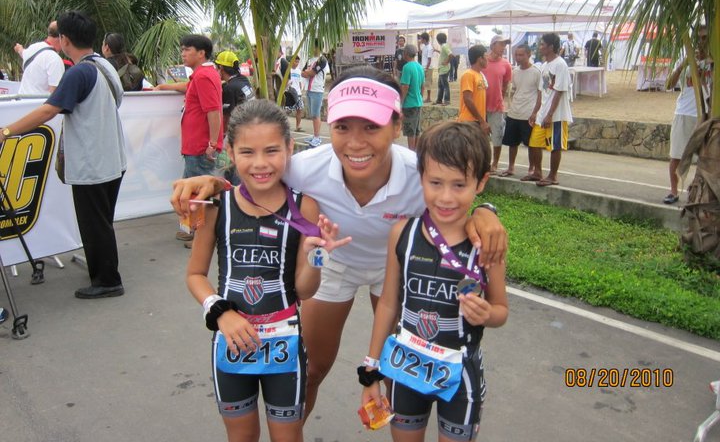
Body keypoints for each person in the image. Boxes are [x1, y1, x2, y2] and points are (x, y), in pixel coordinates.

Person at [170, 66, 508, 421]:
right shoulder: (304, 168)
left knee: (398, 374)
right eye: (342, 127)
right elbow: (254, 179)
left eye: (371, 127)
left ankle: (403, 432)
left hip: (396, 269)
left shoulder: (418, 173)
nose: (355, 143)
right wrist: (213, 182)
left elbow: (456, 193)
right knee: (312, 368)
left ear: (397, 126)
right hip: (332, 262)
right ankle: (291, 439)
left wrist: (485, 211)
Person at [185, 99, 350, 442]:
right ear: (231, 152)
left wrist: (317, 257)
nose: (260, 163)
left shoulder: (303, 206)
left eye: (272, 150)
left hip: (284, 347)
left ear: (290, 148)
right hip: (231, 344)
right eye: (247, 152)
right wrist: (220, 312)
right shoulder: (217, 207)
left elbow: (304, 290)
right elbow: (196, 275)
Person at [360, 120, 508, 442]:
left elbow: (501, 310)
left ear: (481, 182)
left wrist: (487, 314)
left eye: (459, 185)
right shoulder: (403, 233)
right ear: (421, 177)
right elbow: (388, 303)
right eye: (435, 182)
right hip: (406, 371)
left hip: (461, 377)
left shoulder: (487, 244)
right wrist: (371, 368)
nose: (445, 197)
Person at [1, 11, 126, 298]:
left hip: (92, 162)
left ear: (64, 40)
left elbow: (48, 110)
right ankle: (105, 272)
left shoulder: (79, 72)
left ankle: (107, 281)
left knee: (94, 224)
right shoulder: (105, 66)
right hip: (113, 158)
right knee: (102, 221)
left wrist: (6, 132)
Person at [156, 35, 223, 245]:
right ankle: (192, 230)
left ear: (201, 53)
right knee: (191, 191)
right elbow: (189, 88)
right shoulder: (202, 75)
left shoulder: (203, 76)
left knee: (200, 194)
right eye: (182, 49)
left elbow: (213, 111)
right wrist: (164, 87)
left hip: (200, 146)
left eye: (187, 49)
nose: (183, 53)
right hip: (196, 145)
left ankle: (203, 236)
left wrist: (212, 144)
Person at [663, 26, 712, 204]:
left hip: (706, 115)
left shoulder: (713, 61)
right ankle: (673, 191)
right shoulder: (685, 60)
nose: (701, 42)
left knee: (708, 157)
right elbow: (668, 85)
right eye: (698, 38)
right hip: (684, 113)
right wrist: (682, 65)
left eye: (705, 38)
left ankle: (704, 194)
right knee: (676, 155)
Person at [524, 33, 573, 187]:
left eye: (542, 44)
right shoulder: (544, 66)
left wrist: (550, 114)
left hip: (556, 114)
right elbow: (541, 92)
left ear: (551, 47)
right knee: (534, 142)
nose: (540, 47)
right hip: (543, 112)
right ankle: (537, 172)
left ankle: (553, 175)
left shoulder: (560, 65)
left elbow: (559, 91)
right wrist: (535, 112)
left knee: (555, 145)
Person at [499, 44, 542, 178]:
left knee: (531, 144)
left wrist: (535, 112)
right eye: (516, 55)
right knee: (512, 143)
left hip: (528, 113)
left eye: (521, 55)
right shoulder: (515, 71)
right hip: (514, 112)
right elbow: (514, 89)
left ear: (529, 55)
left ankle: (532, 168)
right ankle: (511, 167)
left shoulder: (536, 72)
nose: (518, 57)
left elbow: (540, 94)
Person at [483, 35, 513, 174]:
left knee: (497, 135)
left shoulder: (506, 64)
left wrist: (499, 97)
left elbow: (505, 84)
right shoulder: (483, 61)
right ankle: (483, 161)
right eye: (501, 44)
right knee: (481, 136)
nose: (503, 47)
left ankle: (495, 163)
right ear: (492, 45)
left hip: (496, 106)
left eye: (505, 45)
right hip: (481, 105)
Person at [14, 20, 65, 95]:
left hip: (21, 100)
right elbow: (55, 94)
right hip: (39, 102)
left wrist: (19, 48)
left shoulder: (33, 47)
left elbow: (22, 52)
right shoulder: (55, 59)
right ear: (61, 37)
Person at [214, 50, 253, 133]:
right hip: (253, 123)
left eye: (216, 67)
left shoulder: (229, 88)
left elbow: (226, 119)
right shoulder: (243, 79)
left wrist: (221, 136)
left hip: (243, 131)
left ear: (221, 68)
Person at [458, 44, 490, 135]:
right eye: (486, 56)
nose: (488, 59)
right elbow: (468, 99)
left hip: (477, 121)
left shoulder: (480, 75)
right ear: (480, 59)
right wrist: (482, 121)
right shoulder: (468, 75)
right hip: (469, 121)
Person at [300, 42, 328, 148]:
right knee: (313, 114)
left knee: (316, 115)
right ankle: (315, 135)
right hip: (309, 89)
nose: (312, 48)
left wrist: (308, 72)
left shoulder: (322, 60)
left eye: (314, 46)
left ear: (318, 47)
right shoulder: (309, 60)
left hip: (317, 90)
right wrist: (308, 72)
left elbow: (312, 73)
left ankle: (317, 138)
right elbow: (302, 73)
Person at [399, 44, 425, 151]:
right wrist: (420, 97)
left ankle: (411, 152)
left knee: (410, 131)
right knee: (417, 130)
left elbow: (405, 86)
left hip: (409, 104)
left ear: (405, 53)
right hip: (418, 102)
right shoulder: (420, 67)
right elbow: (423, 86)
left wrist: (400, 103)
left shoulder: (407, 67)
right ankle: (416, 152)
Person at [286, 55, 305, 132]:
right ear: (291, 61)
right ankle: (284, 126)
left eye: (297, 62)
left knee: (299, 109)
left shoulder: (299, 71)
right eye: (295, 61)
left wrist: (300, 91)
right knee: (287, 110)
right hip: (289, 93)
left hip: (298, 93)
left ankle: (298, 126)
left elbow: (300, 82)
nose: (296, 63)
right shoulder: (288, 70)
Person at [433, 32, 453, 105]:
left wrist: (446, 62)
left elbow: (450, 55)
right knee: (440, 85)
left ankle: (447, 100)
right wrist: (436, 50)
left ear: (438, 40)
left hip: (444, 69)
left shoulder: (444, 46)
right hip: (442, 69)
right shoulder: (444, 46)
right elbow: (443, 53)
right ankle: (439, 100)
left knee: (445, 85)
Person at [420, 32, 434, 103]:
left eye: (421, 39)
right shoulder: (424, 46)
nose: (420, 40)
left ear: (424, 39)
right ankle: (422, 96)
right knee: (422, 82)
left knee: (428, 83)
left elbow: (429, 59)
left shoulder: (429, 47)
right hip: (424, 67)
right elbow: (421, 54)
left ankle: (428, 98)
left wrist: (426, 68)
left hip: (428, 68)